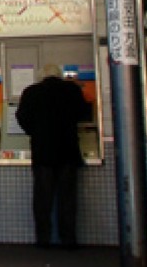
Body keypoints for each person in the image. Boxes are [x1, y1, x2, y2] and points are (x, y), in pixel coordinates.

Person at [15, 64, 92, 249]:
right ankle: (68, 240)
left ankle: (43, 239)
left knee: (43, 199)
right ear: (59, 75)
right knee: (67, 198)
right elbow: (84, 113)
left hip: (43, 152)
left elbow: (21, 117)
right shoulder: (72, 89)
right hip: (68, 151)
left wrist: (36, 132)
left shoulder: (32, 92)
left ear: (41, 76)